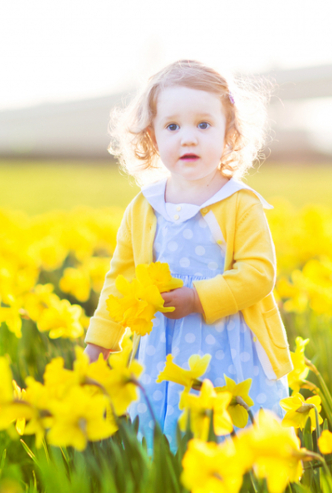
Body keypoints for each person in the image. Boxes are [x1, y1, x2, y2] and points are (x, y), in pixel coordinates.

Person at [83, 60, 294, 449]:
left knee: (227, 435)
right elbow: (122, 280)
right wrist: (101, 340)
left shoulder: (240, 204)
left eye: (203, 125)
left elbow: (259, 275)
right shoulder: (143, 207)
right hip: (160, 343)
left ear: (230, 134)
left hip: (227, 345)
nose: (188, 138)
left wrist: (199, 298)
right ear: (152, 137)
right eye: (172, 126)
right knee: (163, 441)